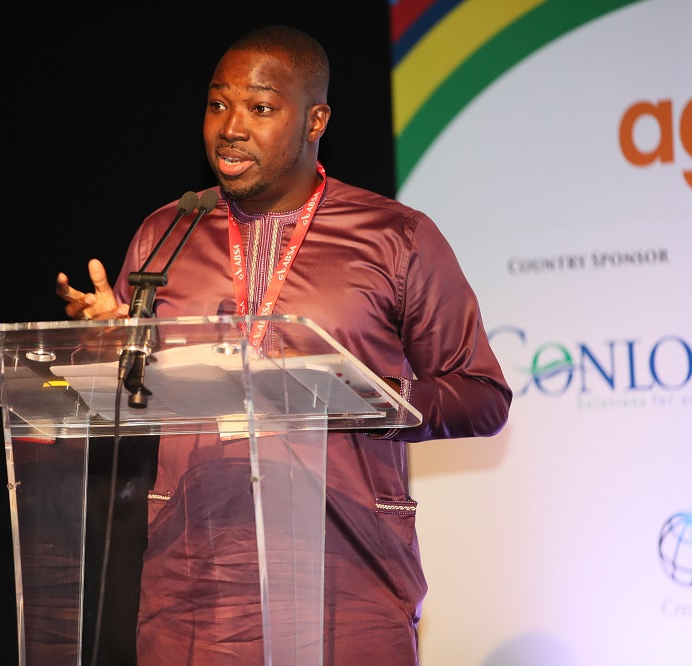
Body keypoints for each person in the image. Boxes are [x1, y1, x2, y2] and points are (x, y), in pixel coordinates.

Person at [55, 25, 511, 665]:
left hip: (348, 578)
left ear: (315, 120)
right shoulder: (168, 235)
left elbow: (482, 396)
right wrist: (105, 350)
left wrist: (366, 396)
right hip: (191, 586)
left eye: (261, 108)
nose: (230, 128)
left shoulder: (395, 237)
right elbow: (127, 403)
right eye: (218, 104)